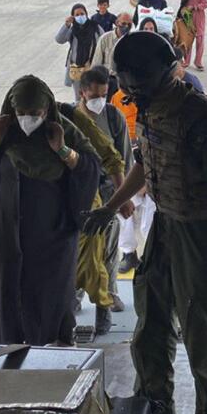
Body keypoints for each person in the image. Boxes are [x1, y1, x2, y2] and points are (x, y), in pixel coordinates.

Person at [80, 32, 207, 414]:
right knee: (151, 323)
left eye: (138, 86)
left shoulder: (204, 118)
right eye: (129, 88)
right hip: (166, 223)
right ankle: (155, 402)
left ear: (164, 75)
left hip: (204, 233)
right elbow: (147, 164)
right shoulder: (150, 109)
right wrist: (112, 206)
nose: (132, 94)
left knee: (202, 331)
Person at [0, 76, 102, 345]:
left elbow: (91, 169)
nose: (28, 119)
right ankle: (7, 366)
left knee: (48, 306)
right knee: (8, 307)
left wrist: (63, 150)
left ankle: (48, 359)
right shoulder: (1, 129)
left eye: (36, 113)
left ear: (47, 110)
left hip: (52, 240)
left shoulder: (65, 132)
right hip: (8, 236)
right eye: (22, 113)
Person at [79, 67, 137, 326]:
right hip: (80, 195)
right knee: (79, 250)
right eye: (94, 94)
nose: (99, 100)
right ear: (82, 92)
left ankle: (108, 297)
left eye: (104, 94)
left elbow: (124, 158)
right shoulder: (69, 119)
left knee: (109, 249)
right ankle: (75, 295)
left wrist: (124, 197)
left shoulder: (114, 117)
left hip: (108, 194)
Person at [56, 3, 103, 101]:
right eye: (76, 15)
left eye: (82, 13)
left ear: (86, 14)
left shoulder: (95, 27)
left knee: (93, 95)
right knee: (79, 97)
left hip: (92, 68)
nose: (80, 16)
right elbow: (59, 39)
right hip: (77, 69)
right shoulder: (73, 30)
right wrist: (67, 25)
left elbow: (103, 42)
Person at [177, 0, 207, 70]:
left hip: (198, 18)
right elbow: (182, 4)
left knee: (199, 40)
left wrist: (195, 7)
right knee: (188, 40)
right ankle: (186, 61)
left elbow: (205, 4)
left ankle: (198, 62)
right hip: (187, 19)